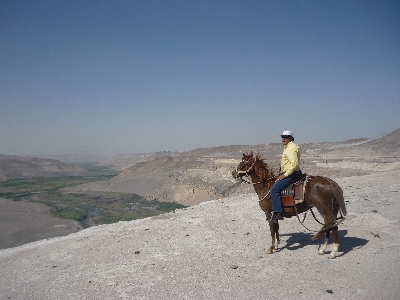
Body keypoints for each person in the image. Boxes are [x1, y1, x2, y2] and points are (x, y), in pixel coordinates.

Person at [267, 130, 302, 223]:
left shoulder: (291, 147)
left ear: (290, 138)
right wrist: (281, 167)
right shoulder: (288, 147)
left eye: (285, 137)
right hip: (290, 171)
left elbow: (294, 164)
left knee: (274, 189)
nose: (283, 138)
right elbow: (289, 161)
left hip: (292, 173)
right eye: (282, 136)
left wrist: (285, 175)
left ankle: (278, 212)